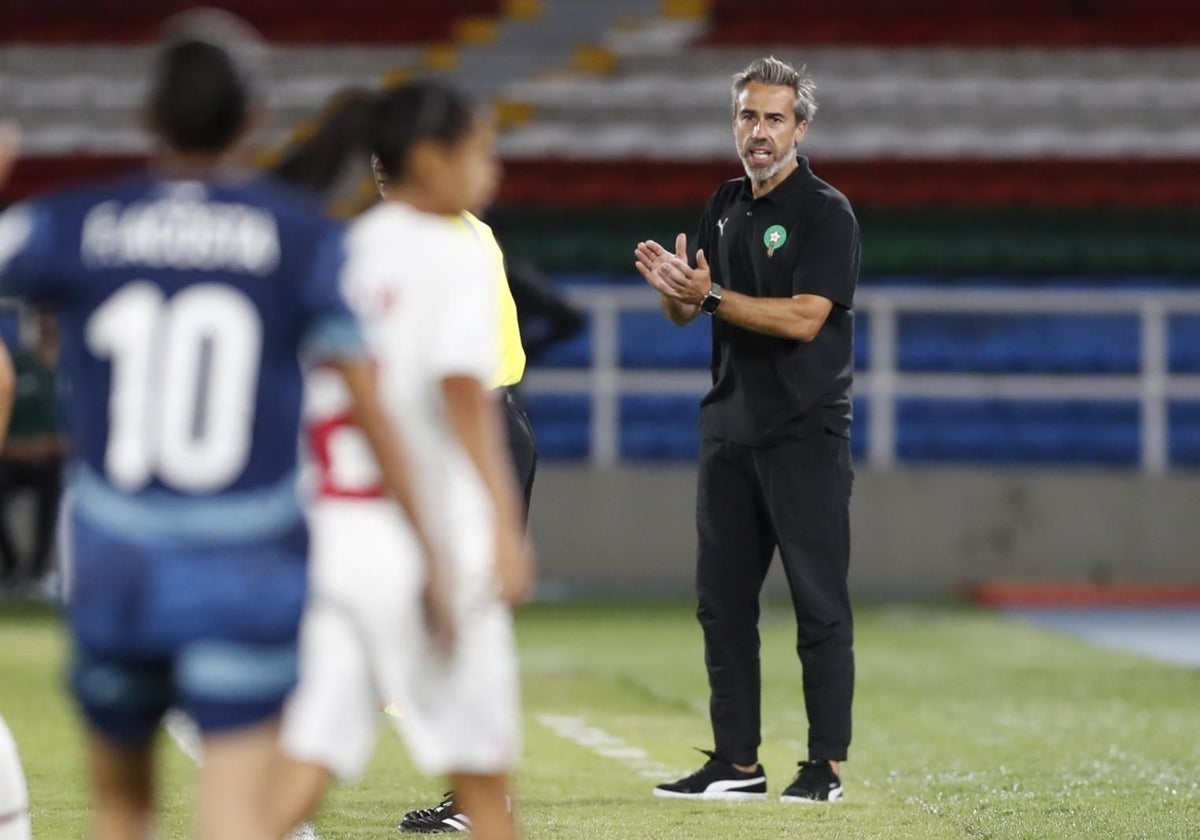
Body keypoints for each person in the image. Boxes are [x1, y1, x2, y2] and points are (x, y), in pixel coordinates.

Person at [0, 12, 448, 840]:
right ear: (255, 118)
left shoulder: (78, 221)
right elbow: (369, 403)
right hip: (242, 563)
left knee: (120, 813)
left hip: (114, 557)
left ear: (147, 117)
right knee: (237, 817)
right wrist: (430, 549)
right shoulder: (301, 238)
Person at [269, 80, 532, 840]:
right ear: (428, 158)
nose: (492, 169)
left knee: (307, 763)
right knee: (484, 773)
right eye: (478, 149)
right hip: (426, 535)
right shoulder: (452, 245)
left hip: (337, 534)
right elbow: (462, 391)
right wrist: (503, 534)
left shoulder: (341, 250)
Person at [635, 56, 860, 804]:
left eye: (773, 118)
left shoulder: (827, 211)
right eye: (747, 116)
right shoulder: (725, 202)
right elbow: (693, 308)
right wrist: (676, 290)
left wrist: (711, 298)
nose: (757, 132)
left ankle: (823, 767)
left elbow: (804, 317)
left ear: (800, 128)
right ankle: (737, 764)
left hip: (803, 433)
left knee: (817, 603)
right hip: (729, 430)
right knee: (722, 602)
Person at [0, 310, 66, 593]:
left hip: (56, 460)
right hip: (15, 454)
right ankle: (13, 567)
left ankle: (38, 572)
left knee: (54, 478)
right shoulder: (22, 363)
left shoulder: (73, 367)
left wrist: (52, 445)